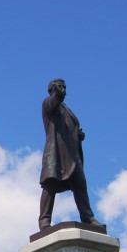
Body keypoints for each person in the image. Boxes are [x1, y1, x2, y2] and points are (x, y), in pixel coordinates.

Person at [40, 79, 98, 229]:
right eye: (60, 87)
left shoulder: (66, 109)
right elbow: (51, 104)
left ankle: (88, 217)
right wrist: (57, 95)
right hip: (57, 153)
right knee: (50, 185)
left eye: (64, 88)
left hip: (72, 156)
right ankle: (44, 221)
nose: (64, 90)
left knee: (80, 185)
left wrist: (77, 135)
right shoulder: (48, 103)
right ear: (54, 89)